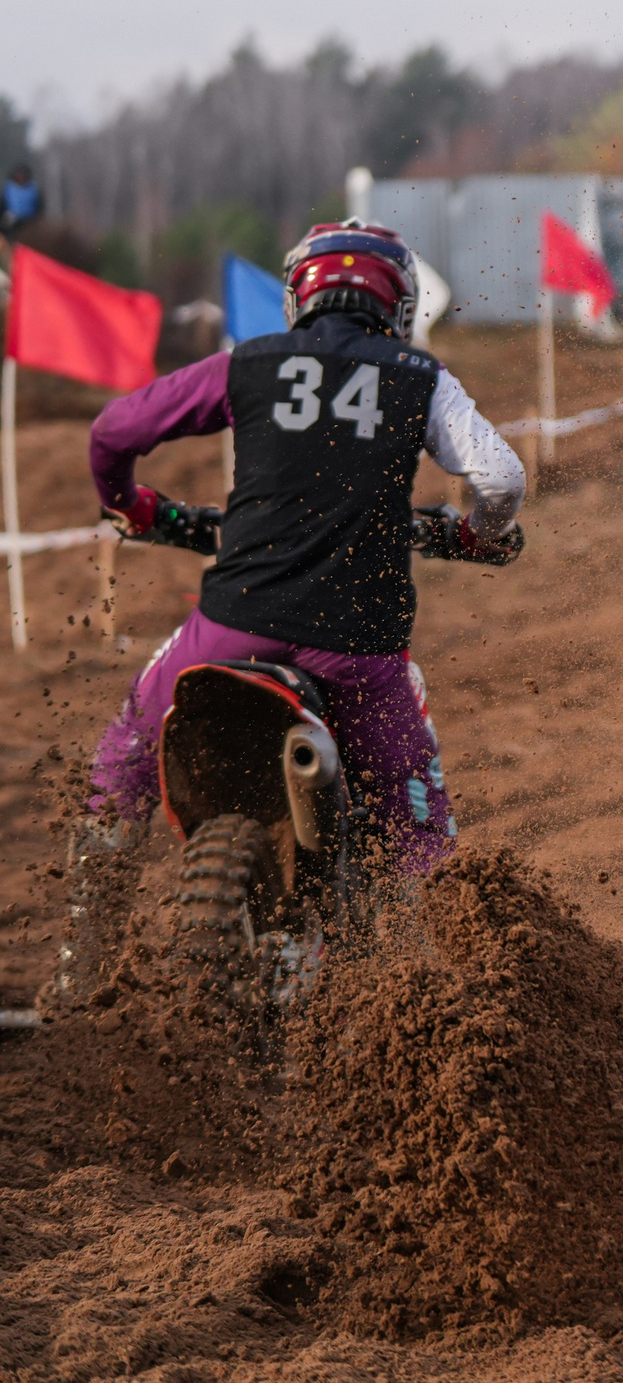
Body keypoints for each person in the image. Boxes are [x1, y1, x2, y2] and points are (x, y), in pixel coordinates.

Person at [63, 222, 524, 997]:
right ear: (399, 304)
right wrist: (480, 533)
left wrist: (131, 506)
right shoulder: (421, 377)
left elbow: (112, 430)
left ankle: (80, 965)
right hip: (358, 648)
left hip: (231, 625)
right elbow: (503, 478)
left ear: (298, 297)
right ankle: (433, 997)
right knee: (418, 840)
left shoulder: (248, 361)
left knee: (121, 763)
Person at [1, 163, 41, 241]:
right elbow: (3, 204)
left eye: (22, 175)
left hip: (30, 219)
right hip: (12, 218)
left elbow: (39, 205)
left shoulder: (34, 188)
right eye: (18, 175)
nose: (20, 177)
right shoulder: (8, 188)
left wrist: (37, 218)